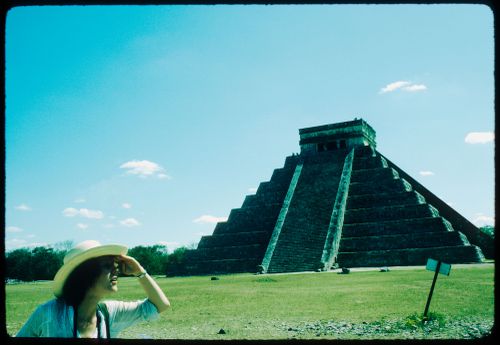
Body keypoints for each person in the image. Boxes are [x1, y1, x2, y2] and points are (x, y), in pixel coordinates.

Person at [16, 240, 170, 338]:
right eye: (107, 266)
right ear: (86, 274)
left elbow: (161, 305)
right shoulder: (48, 313)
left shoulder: (110, 312)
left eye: (115, 266)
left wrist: (139, 271)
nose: (116, 271)